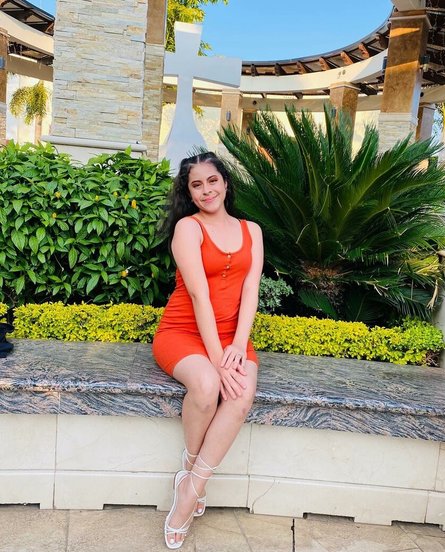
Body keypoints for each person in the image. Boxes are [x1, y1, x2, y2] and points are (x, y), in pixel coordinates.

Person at [152, 151, 263, 549]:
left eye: (212, 181)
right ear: (189, 192)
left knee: (241, 392)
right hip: (183, 331)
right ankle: (190, 473)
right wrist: (217, 360)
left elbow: (251, 290)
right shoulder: (189, 228)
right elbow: (199, 295)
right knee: (206, 385)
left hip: (232, 337)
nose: (206, 190)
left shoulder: (252, 230)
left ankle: (190, 487)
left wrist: (237, 346)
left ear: (225, 183)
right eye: (196, 185)